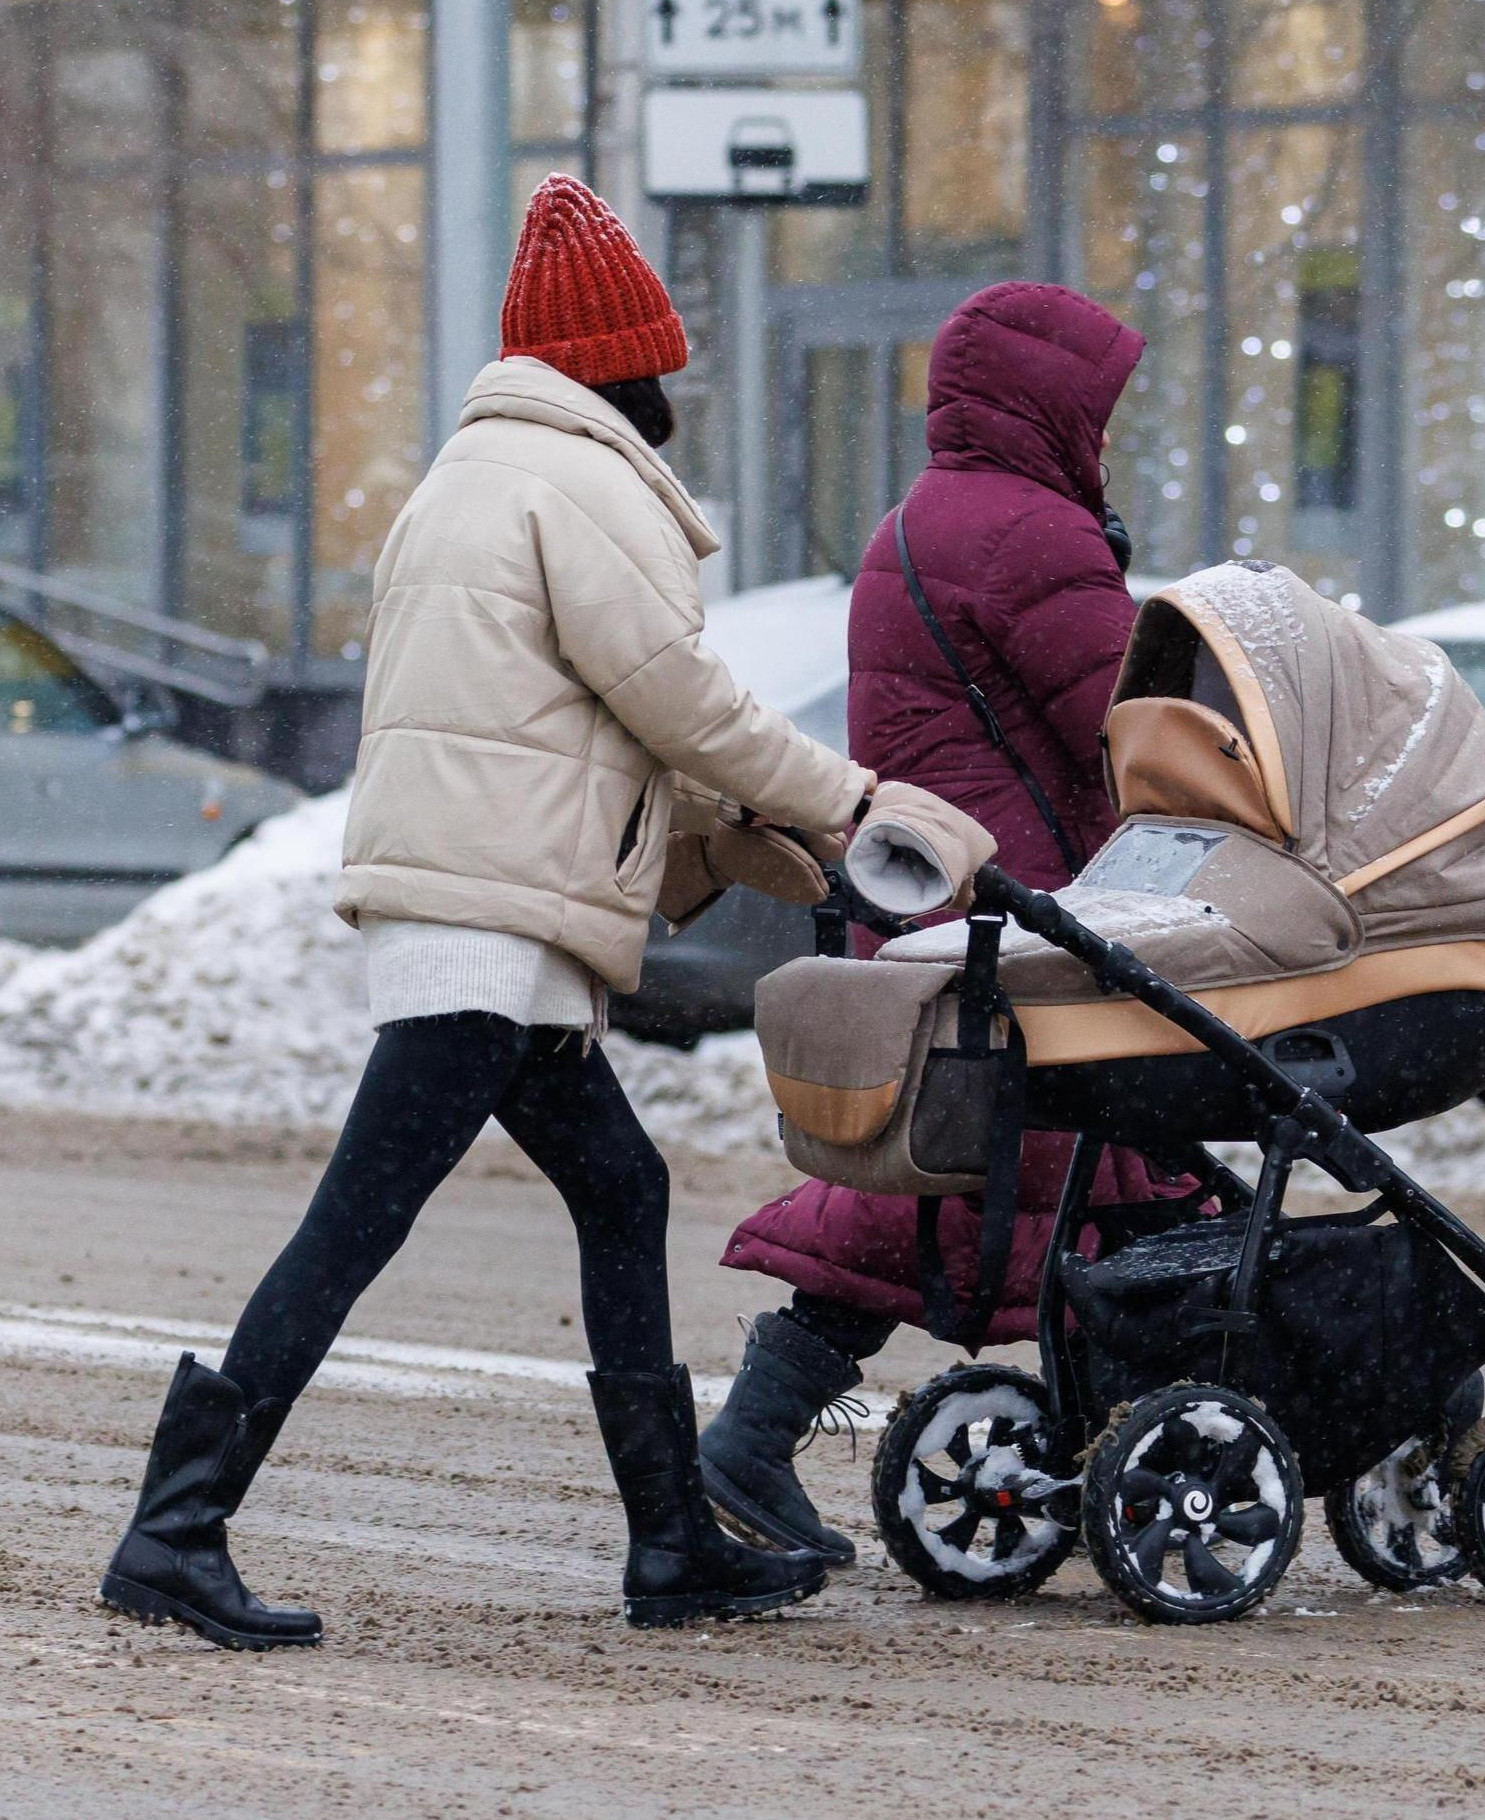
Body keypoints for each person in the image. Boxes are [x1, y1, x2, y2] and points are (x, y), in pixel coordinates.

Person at [98, 175, 968, 1645]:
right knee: (355, 1222)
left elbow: (565, 721)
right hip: (485, 927)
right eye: (659, 366)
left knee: (618, 1190)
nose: (669, 394)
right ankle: (173, 1531)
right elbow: (675, 695)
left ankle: (670, 1544)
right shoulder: (571, 483)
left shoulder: (475, 476)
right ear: (618, 361)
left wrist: (723, 832)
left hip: (484, 906)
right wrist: (846, 800)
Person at [696, 282, 1172, 1567]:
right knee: (1001, 1171)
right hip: (1010, 918)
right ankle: (758, 1430)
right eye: (1099, 406)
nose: (1111, 432)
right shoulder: (1028, 534)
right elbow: (1131, 727)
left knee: (1027, 1168)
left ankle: (1116, 1425)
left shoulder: (924, 520)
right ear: (1047, 404)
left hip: (939, 904)